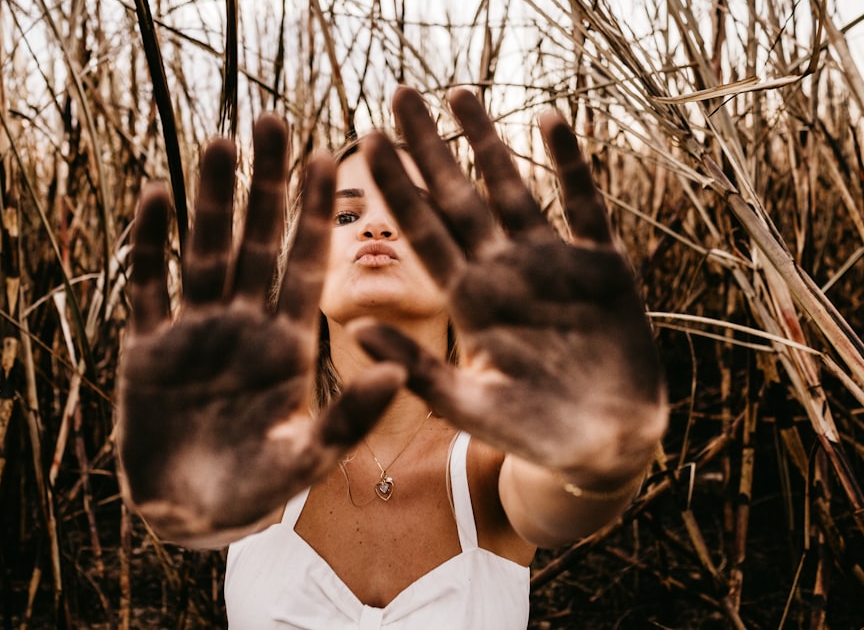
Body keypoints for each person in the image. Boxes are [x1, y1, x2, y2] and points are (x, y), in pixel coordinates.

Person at [116, 86, 668, 628]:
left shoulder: (500, 451)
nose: (376, 228)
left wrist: (604, 457)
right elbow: (200, 500)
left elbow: (560, 503)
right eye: (344, 216)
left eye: (413, 215)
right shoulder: (256, 438)